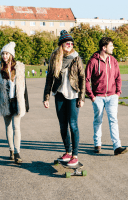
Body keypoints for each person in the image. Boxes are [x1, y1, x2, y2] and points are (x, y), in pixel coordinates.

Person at [43, 30, 85, 166]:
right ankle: (67, 152)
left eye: (71, 43)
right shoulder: (55, 57)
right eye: (67, 43)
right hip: (59, 95)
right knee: (62, 125)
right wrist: (46, 97)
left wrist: (82, 97)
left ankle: (75, 155)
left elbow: (82, 78)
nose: (70, 45)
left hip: (73, 95)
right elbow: (49, 78)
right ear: (61, 44)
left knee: (73, 125)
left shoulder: (76, 58)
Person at [85, 37, 128, 155]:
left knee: (113, 120)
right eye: (111, 45)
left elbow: (118, 77)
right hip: (98, 97)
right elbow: (85, 79)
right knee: (98, 120)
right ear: (104, 48)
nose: (113, 47)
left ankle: (117, 146)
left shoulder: (113, 60)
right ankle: (97, 144)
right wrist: (92, 96)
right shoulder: (93, 61)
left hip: (112, 96)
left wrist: (118, 93)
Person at [0, 42, 29, 163]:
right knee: (8, 127)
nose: (4, 56)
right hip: (4, 102)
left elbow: (24, 86)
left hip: (16, 101)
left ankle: (17, 152)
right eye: (3, 54)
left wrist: (26, 103)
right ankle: (11, 149)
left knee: (16, 127)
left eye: (6, 53)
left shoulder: (19, 67)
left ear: (11, 54)